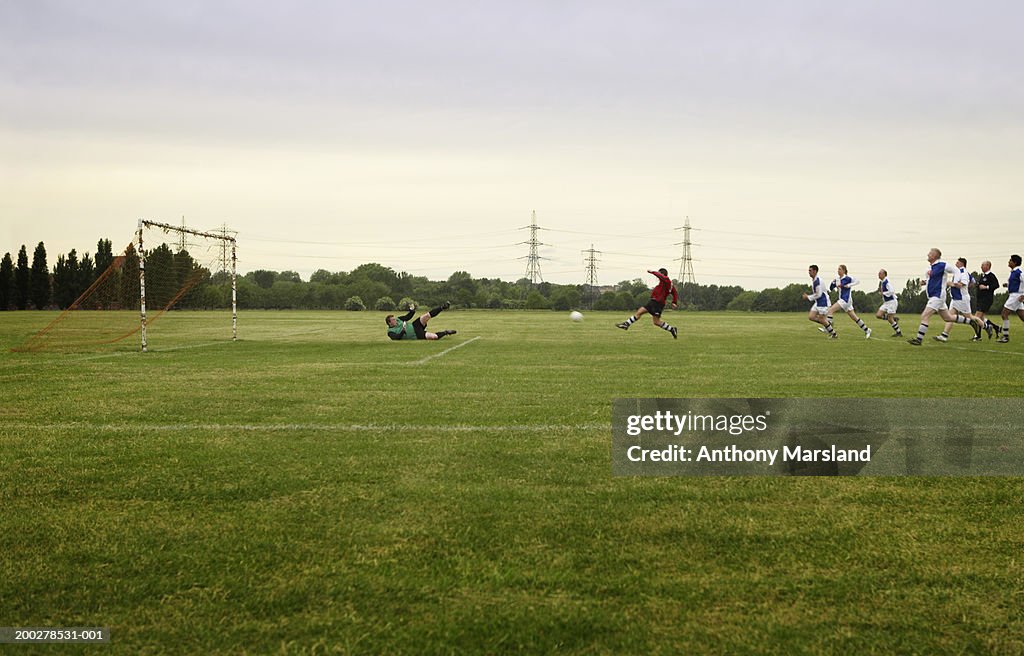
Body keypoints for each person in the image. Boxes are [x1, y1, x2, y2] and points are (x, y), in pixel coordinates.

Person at [908, 248, 983, 345]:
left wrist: (958, 282)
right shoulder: (931, 268)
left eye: (930, 253)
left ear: (935, 256)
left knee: (925, 316)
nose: (928, 254)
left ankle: (919, 339)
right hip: (934, 297)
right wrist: (925, 282)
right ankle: (970, 322)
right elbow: (934, 280)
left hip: (938, 296)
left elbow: (956, 270)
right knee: (948, 318)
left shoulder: (942, 265)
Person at [616, 268, 679, 339]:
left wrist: (652, 272)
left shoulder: (666, 280)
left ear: (662, 274)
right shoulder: (665, 283)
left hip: (658, 304)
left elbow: (663, 279)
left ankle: (672, 329)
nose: (657, 278)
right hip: (653, 302)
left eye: (659, 274)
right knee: (639, 312)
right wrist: (674, 302)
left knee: (656, 322)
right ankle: (626, 324)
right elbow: (674, 293)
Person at [938, 257, 989, 342]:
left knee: (970, 317)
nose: (955, 264)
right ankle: (944, 335)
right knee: (949, 317)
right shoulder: (960, 272)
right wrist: (967, 287)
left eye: (957, 263)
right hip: (955, 298)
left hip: (961, 299)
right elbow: (973, 281)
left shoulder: (963, 272)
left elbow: (960, 285)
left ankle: (986, 326)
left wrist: (950, 284)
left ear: (962, 264)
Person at [826, 265, 871, 339]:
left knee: (830, 310)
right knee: (854, 317)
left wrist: (848, 285)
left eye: (840, 269)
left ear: (844, 271)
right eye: (838, 269)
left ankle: (828, 328)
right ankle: (867, 330)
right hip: (844, 300)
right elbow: (831, 288)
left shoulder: (848, 278)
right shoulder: (837, 279)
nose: (838, 271)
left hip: (845, 300)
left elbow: (858, 281)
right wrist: (832, 283)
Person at [385, 301, 456, 341]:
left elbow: (408, 317)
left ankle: (443, 307)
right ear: (389, 323)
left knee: (426, 316)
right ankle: (446, 332)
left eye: (394, 319)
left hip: (415, 325)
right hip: (417, 335)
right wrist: (403, 331)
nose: (395, 320)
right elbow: (397, 338)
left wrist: (411, 310)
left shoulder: (399, 319)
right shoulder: (390, 332)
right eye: (393, 320)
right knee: (434, 337)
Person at [802, 264, 837, 338]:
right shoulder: (815, 280)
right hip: (818, 302)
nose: (809, 272)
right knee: (811, 317)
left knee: (821, 319)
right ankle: (827, 323)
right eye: (809, 270)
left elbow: (819, 294)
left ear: (815, 271)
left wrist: (808, 297)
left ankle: (833, 334)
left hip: (823, 303)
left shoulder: (817, 281)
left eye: (810, 270)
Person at [997, 254, 1024, 343]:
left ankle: (1005, 336)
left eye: (1010, 260)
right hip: (1015, 295)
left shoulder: (1019, 272)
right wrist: (1007, 285)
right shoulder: (1013, 272)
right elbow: (1017, 283)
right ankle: (1005, 336)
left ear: (1015, 262)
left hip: (1016, 296)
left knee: (1004, 313)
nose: (1009, 262)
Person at [974, 260, 999, 337]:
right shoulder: (982, 276)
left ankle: (978, 335)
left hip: (986, 299)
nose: (981, 267)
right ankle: (995, 327)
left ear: (988, 266)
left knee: (976, 317)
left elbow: (996, 285)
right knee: (981, 318)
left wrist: (986, 287)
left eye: (983, 265)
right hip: (980, 299)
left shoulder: (991, 276)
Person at [874, 269, 902, 336]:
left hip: (892, 302)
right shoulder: (883, 282)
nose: (878, 274)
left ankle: (898, 333)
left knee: (890, 319)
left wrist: (883, 293)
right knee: (878, 315)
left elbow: (892, 291)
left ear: (884, 274)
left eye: (880, 273)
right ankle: (894, 319)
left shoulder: (887, 282)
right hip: (886, 303)